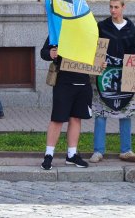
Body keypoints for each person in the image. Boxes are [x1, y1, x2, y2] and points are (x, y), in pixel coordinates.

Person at [90, 0, 135, 163]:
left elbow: (132, 50)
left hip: (124, 74)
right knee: (101, 111)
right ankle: (98, 151)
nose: (113, 10)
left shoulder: (131, 28)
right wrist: (98, 63)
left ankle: (126, 149)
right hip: (104, 74)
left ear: (123, 7)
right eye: (111, 7)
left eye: (116, 7)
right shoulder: (102, 26)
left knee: (125, 110)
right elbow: (95, 48)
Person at [39, 37, 92, 170]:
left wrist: (100, 64)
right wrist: (50, 53)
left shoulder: (89, 30)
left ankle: (72, 154)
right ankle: (49, 155)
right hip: (63, 82)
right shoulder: (58, 30)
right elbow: (44, 52)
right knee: (57, 118)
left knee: (76, 118)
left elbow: (98, 53)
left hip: (83, 82)